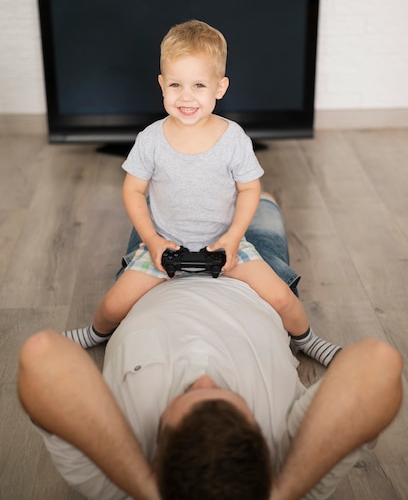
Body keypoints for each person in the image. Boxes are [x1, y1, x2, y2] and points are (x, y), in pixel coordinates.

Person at [18, 194, 403, 500]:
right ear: (260, 438)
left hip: (154, 272)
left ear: (156, 448)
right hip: (255, 275)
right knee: (257, 200)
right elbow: (379, 363)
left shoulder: (118, 484)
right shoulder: (291, 467)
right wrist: (282, 495)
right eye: (221, 394)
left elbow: (42, 355)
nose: (202, 380)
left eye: (187, 395)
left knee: (165, 198)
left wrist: (147, 493)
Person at [63, 20, 340, 366]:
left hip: (223, 245)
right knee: (113, 304)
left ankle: (308, 340)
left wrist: (234, 238)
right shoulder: (150, 139)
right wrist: (151, 240)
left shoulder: (233, 138)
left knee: (282, 299)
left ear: (220, 88)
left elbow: (250, 189)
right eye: (176, 84)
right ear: (161, 84)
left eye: (199, 85)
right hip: (166, 245)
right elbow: (134, 191)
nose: (186, 96)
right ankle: (93, 334)